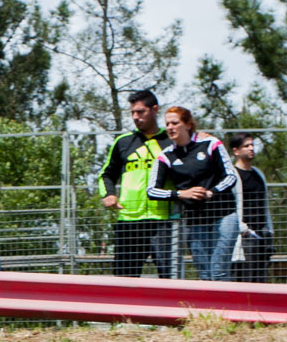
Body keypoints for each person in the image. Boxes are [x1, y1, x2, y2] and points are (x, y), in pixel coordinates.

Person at [147, 107, 241, 280]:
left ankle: (227, 299)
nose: (170, 127)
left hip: (224, 215)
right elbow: (152, 190)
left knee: (219, 271)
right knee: (205, 274)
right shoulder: (166, 156)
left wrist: (211, 193)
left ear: (188, 125)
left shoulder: (211, 144)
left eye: (175, 123)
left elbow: (230, 176)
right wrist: (181, 194)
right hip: (195, 221)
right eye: (167, 124)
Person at [100, 90, 173, 278]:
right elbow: (107, 174)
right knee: (125, 281)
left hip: (164, 221)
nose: (135, 117)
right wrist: (109, 194)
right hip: (129, 221)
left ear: (154, 110)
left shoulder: (171, 141)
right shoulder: (123, 142)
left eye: (140, 112)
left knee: (170, 279)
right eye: (132, 112)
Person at [227, 133, 273, 283]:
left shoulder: (259, 174)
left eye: (252, 145)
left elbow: (265, 205)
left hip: (261, 237)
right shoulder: (232, 176)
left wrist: (269, 231)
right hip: (243, 238)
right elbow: (229, 206)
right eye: (246, 146)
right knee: (243, 282)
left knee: (261, 282)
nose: (251, 148)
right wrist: (241, 227)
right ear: (236, 151)